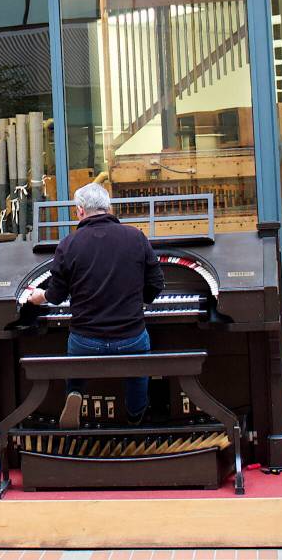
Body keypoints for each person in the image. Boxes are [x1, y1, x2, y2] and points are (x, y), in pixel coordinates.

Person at [29, 183, 165, 428]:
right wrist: (137, 299)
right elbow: (156, 284)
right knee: (139, 362)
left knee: (75, 351)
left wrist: (40, 296)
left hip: (86, 339)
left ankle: (76, 392)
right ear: (109, 207)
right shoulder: (136, 237)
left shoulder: (69, 244)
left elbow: (57, 295)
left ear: (80, 211)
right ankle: (135, 413)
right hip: (129, 336)